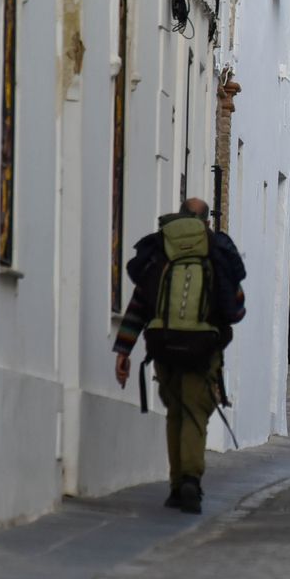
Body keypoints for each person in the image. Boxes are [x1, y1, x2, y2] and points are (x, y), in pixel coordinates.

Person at [113, 197, 246, 514]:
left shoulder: (161, 248)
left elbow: (139, 302)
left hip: (163, 345)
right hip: (203, 349)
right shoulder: (215, 250)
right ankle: (190, 481)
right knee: (195, 412)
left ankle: (176, 485)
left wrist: (124, 350)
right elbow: (236, 308)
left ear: (181, 215)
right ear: (206, 220)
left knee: (175, 411)